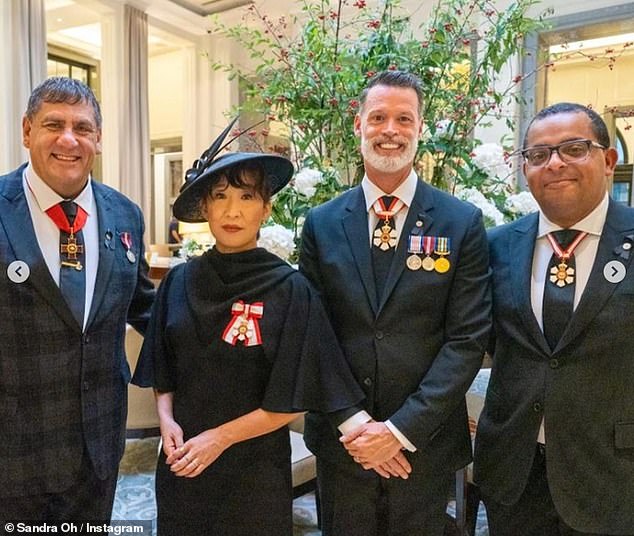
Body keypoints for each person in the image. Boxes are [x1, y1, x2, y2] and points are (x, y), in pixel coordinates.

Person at [132, 124, 365, 536]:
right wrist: (166, 421)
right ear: (204, 207)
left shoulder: (290, 289)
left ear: (266, 209)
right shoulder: (179, 281)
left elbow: (295, 397)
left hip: (253, 471)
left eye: (246, 197)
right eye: (219, 197)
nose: (232, 211)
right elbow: (163, 369)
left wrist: (217, 439)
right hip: (182, 460)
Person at [299, 70, 492, 535]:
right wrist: (356, 426)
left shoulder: (460, 222)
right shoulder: (322, 223)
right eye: (379, 117)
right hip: (344, 441)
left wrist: (398, 432)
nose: (390, 130)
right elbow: (313, 334)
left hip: (423, 442)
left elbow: (466, 339)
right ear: (358, 125)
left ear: (420, 129)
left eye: (404, 119)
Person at [474, 102, 634, 535]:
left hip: (613, 475)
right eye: (539, 155)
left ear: (608, 160)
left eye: (574, 149)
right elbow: (485, 340)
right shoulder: (496, 246)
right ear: (525, 169)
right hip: (514, 473)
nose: (556, 163)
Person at [0, 77, 155, 522]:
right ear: (27, 131)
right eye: (54, 124)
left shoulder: (124, 213)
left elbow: (142, 303)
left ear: (98, 139)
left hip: (98, 449)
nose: (69, 139)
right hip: (13, 455)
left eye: (82, 128)